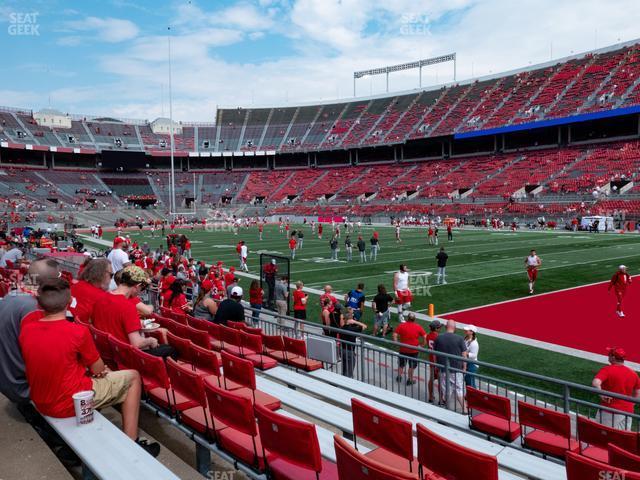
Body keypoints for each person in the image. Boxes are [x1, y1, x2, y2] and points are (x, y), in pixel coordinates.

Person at [19, 277, 160, 457]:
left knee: (89, 377)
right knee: (132, 377)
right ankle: (132, 443)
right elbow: (99, 369)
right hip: (68, 403)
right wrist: (101, 371)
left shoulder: (27, 327)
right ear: (69, 302)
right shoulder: (77, 332)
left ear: (39, 303)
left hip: (40, 398)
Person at [0, 258, 60, 404]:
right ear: (50, 282)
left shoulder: (12, 295)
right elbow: (44, 360)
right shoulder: (33, 308)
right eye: (59, 277)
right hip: (23, 387)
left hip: (7, 379)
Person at [92, 266, 168, 357]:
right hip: (123, 356)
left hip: (105, 352)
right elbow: (137, 343)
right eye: (141, 288)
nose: (140, 292)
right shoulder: (128, 306)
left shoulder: (101, 297)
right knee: (169, 350)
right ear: (137, 286)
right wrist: (151, 340)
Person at [592, 347, 640, 430]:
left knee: (604, 434)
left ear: (613, 357)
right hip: (628, 411)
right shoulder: (633, 373)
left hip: (610, 410)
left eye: (609, 354)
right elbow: (638, 393)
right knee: (623, 437)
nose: (608, 356)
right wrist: (631, 404)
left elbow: (595, 383)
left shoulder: (607, 370)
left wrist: (601, 394)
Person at [434, 320, 468, 412]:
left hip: (443, 369)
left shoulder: (438, 338)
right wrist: (464, 368)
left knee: (446, 391)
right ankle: (465, 410)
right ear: (455, 327)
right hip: (456, 369)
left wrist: (436, 366)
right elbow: (464, 355)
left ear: (446, 327)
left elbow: (434, 354)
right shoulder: (460, 338)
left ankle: (446, 410)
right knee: (459, 390)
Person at [70, 258, 112, 324]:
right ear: (101, 274)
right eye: (111, 275)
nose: (110, 279)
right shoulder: (103, 297)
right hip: (83, 330)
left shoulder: (75, 286)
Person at [393, 313, 426, 386]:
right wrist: (422, 345)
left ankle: (399, 377)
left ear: (407, 318)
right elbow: (425, 336)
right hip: (413, 350)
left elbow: (395, 334)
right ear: (414, 319)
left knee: (401, 364)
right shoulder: (418, 327)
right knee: (412, 366)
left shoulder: (401, 325)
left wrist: (396, 343)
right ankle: (409, 380)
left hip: (403, 349)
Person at [339, 308, 366, 378]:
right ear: (350, 320)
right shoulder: (352, 329)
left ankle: (343, 379)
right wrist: (355, 322)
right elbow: (364, 326)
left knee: (344, 368)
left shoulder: (342, 328)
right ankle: (347, 383)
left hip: (342, 350)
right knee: (350, 371)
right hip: (349, 351)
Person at [426, 320, 442, 403]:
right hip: (438, 362)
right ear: (436, 328)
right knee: (441, 381)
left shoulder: (428, 336)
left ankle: (430, 396)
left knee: (431, 379)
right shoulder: (438, 337)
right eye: (439, 327)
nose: (440, 328)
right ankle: (441, 399)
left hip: (431, 361)